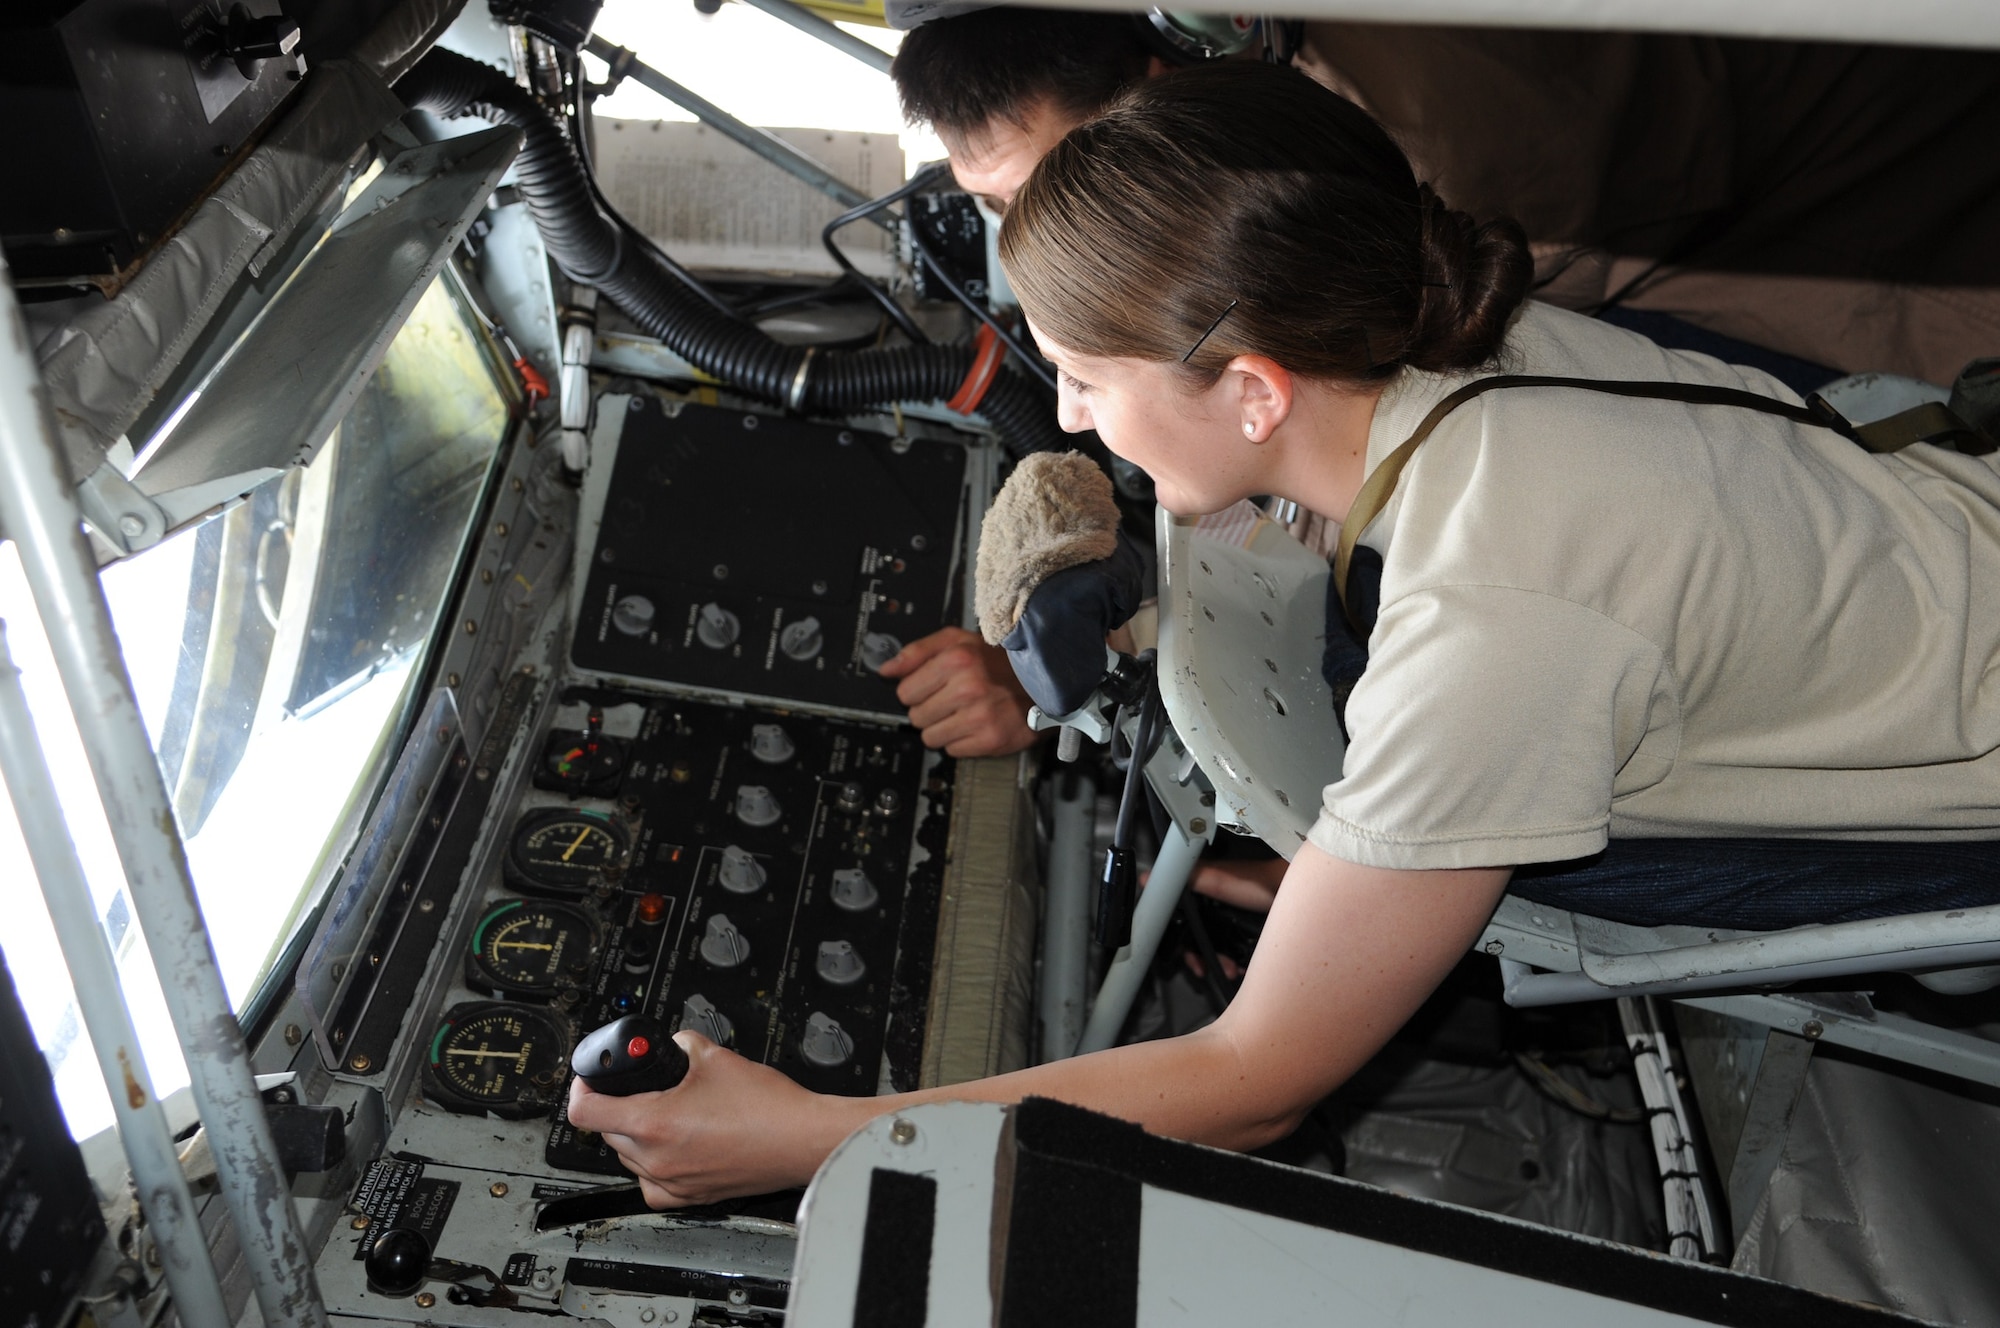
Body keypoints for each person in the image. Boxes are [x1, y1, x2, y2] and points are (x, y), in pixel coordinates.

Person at [567, 63, 2000, 1206]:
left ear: (1255, 390)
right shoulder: (1486, 334)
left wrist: (817, 1134)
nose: (1067, 416)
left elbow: (1257, 1076)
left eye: (1081, 377)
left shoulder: (1487, 631)